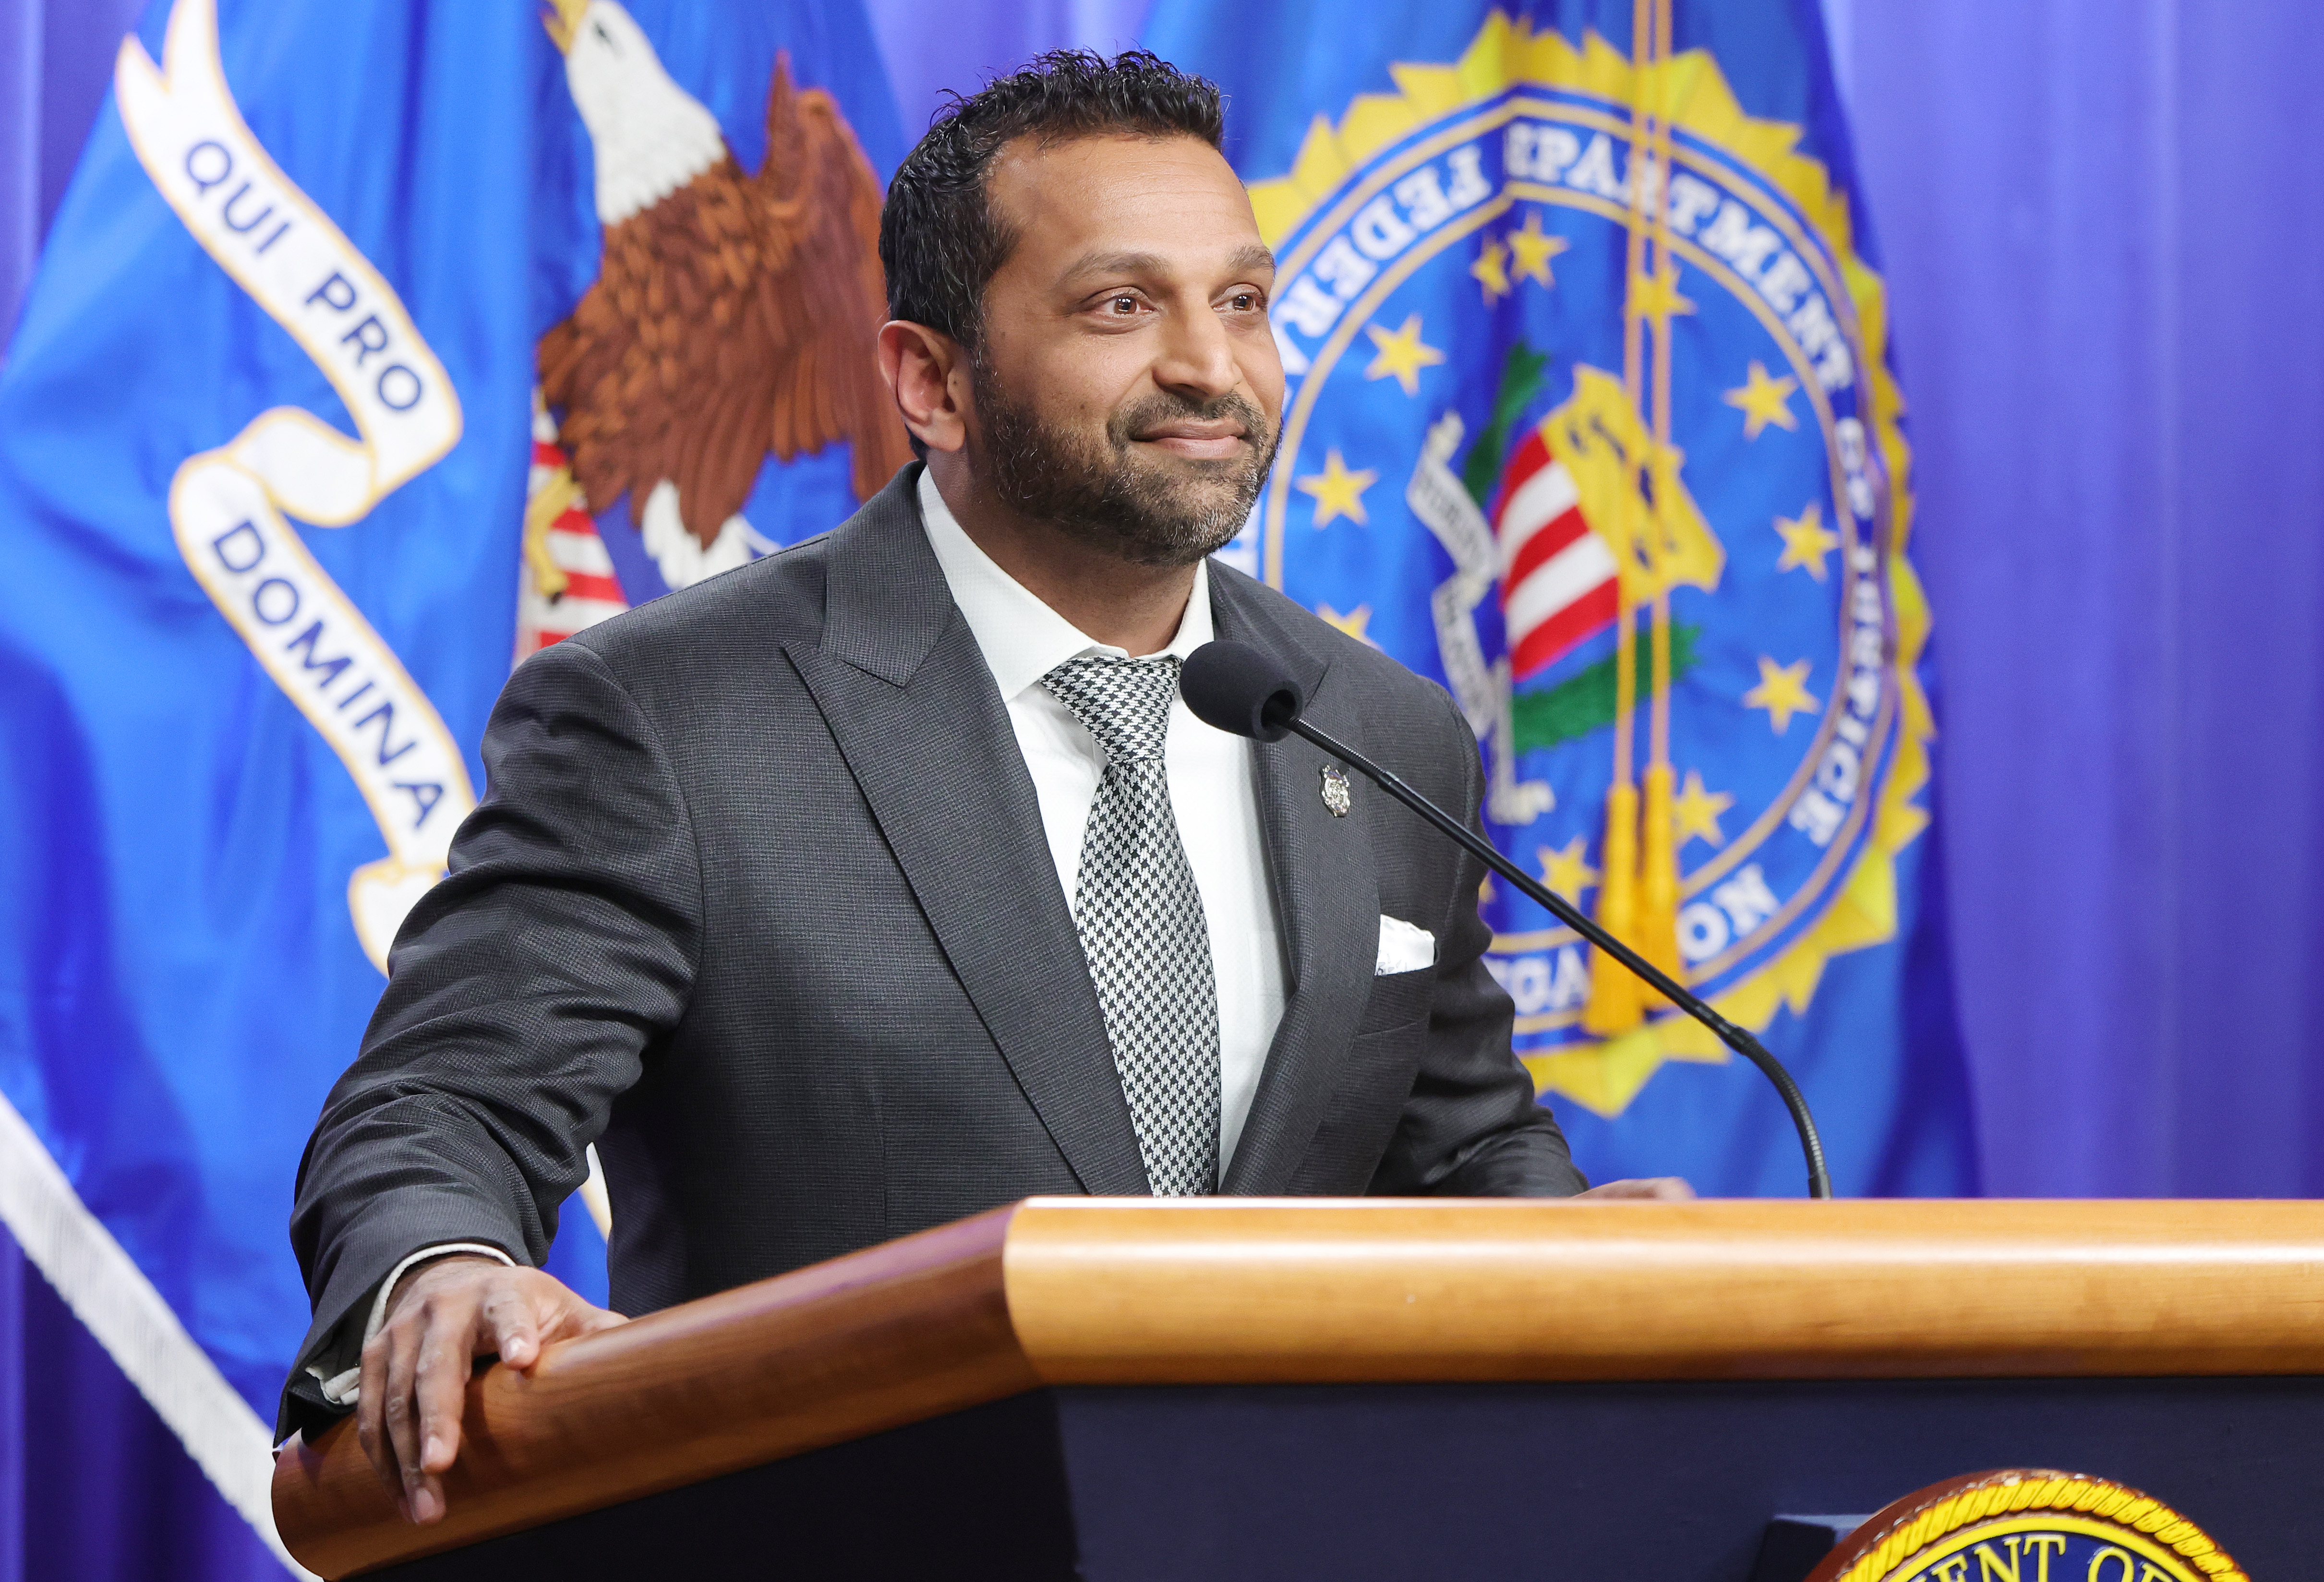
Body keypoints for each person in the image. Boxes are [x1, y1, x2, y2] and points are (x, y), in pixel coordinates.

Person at [281, 50, 1689, 1527]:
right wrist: (441, 1268)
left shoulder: (1378, 731)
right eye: (1122, 306)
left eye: (1244, 302)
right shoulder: (671, 715)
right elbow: (442, 1105)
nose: (1214, 367)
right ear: (930, 381)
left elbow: (1458, 1144)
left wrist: (1579, 1257)